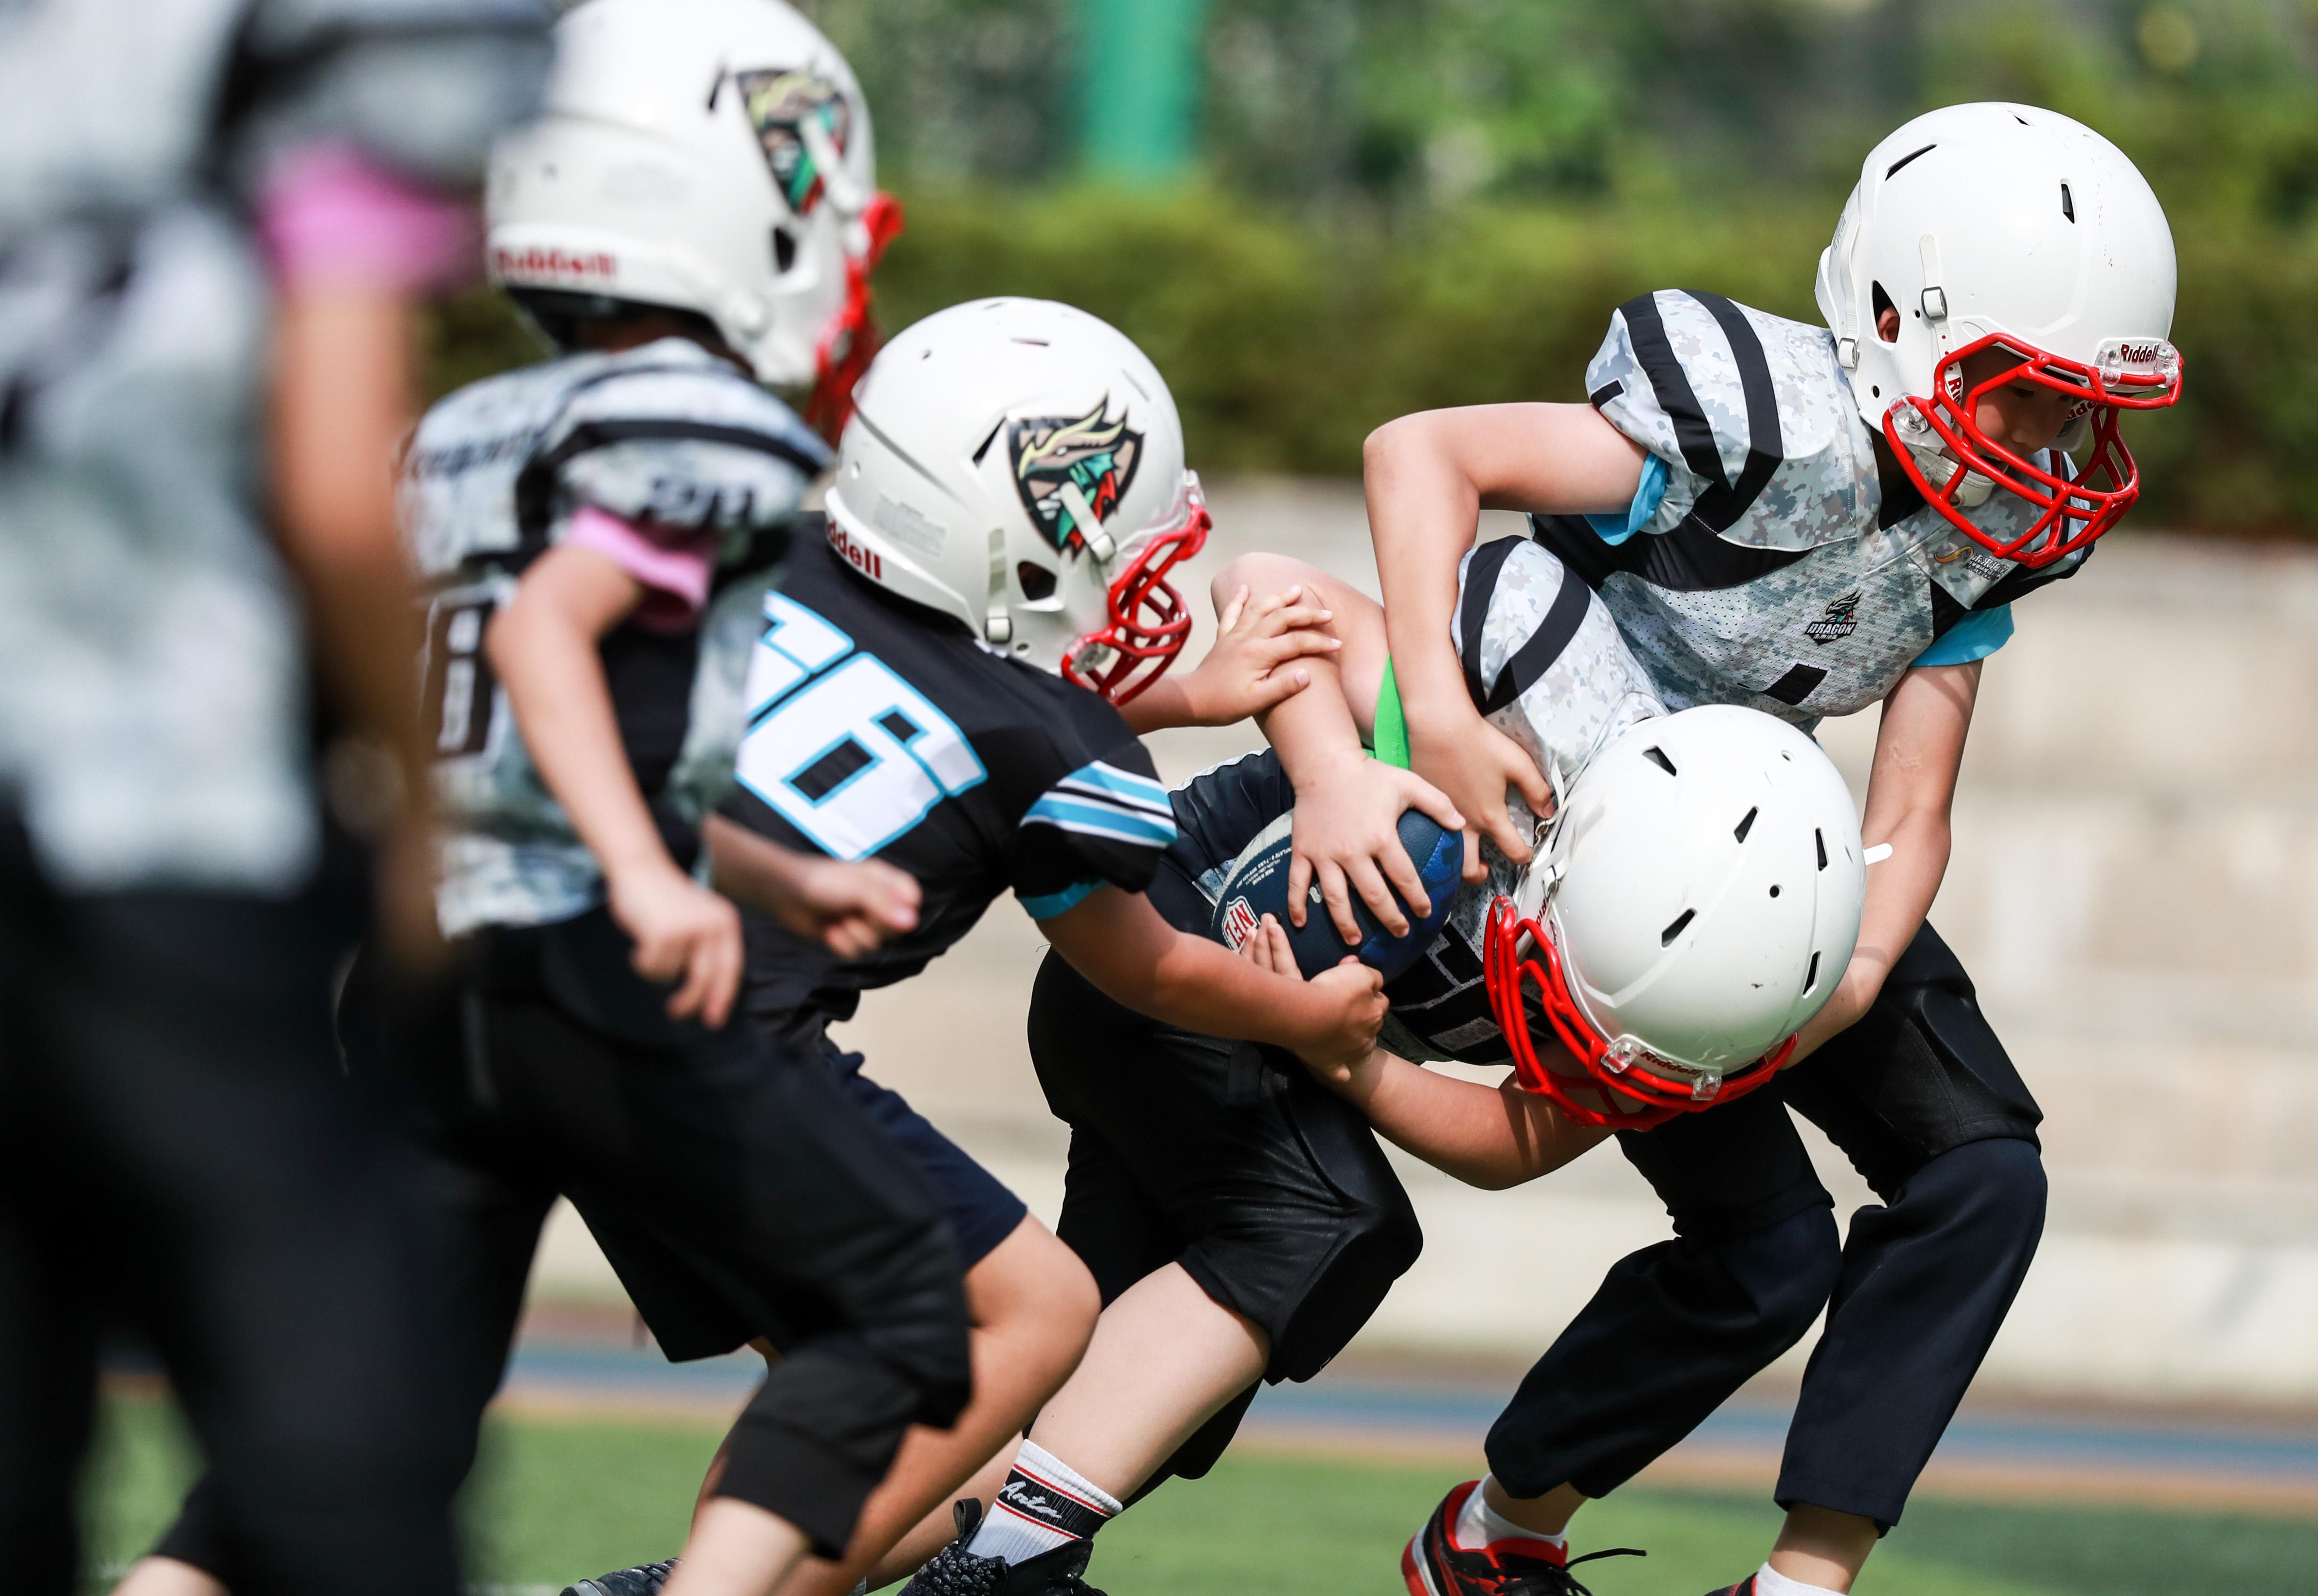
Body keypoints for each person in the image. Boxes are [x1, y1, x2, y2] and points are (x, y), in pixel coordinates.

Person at [117, 7, 980, 1596]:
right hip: (584, 959)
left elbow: (527, 727)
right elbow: (546, 637)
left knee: (405, 1403)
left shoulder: (468, 430)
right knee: (903, 1300)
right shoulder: (708, 420)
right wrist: (654, 889)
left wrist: (766, 880)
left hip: (432, 972)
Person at [1338, 102, 2182, 1596]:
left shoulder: (1994, 521)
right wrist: (1440, 709)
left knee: (1982, 1176)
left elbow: (1911, 807)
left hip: (1762, 847)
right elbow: (1422, 453)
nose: (2054, 448)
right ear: (1889, 315)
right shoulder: (1756, 417)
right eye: (2026, 397)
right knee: (1769, 1253)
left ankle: (1801, 1582)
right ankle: (1495, 1536)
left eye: (2076, 409)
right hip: (1592, 820)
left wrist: (1850, 971)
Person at [564, 294, 1390, 1596]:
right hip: (716, 1047)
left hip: (540, 981)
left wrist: (1166, 698)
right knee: (1033, 1314)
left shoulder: (766, 549)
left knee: (854, 1379)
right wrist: (1302, 1018)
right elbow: (1147, 962)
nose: (1127, 568)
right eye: (1104, 526)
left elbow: (938, 699)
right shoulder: (1067, 752)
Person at [900, 502, 1862, 1596]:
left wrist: (1353, 1066)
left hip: (1258, 1046)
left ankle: (749, 1574)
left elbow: (1517, 1142)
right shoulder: (1506, 755)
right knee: (1328, 1220)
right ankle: (1008, 1567)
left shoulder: (1704, 992)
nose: (1600, 1040)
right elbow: (1266, 579)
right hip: (1162, 945)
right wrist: (1327, 771)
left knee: (1091, 1394)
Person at [0, 3, 549, 1595]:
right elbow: (341, 487)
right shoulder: (296, 42)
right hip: (169, 822)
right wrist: (429, 809)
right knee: (351, 1461)